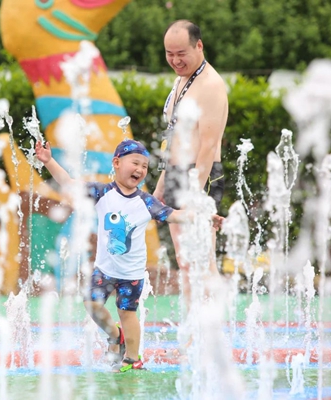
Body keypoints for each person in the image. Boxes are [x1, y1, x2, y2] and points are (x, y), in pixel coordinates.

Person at [35, 138, 201, 372]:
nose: (140, 170)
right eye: (135, 163)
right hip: (104, 269)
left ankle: (133, 359)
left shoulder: (146, 202)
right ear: (116, 163)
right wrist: (49, 161)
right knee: (91, 304)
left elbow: (173, 214)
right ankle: (115, 337)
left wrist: (203, 216)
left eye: (144, 166)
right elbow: (69, 183)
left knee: (128, 314)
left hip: (131, 274)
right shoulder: (102, 193)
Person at [153, 19, 228, 303]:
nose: (175, 60)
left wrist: (193, 195)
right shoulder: (181, 79)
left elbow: (208, 146)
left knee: (201, 261)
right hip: (175, 172)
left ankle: (213, 337)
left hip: (200, 176)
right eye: (169, 54)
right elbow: (175, 138)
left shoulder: (210, 85)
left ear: (199, 46)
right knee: (185, 263)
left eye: (181, 53)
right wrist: (161, 185)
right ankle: (191, 336)